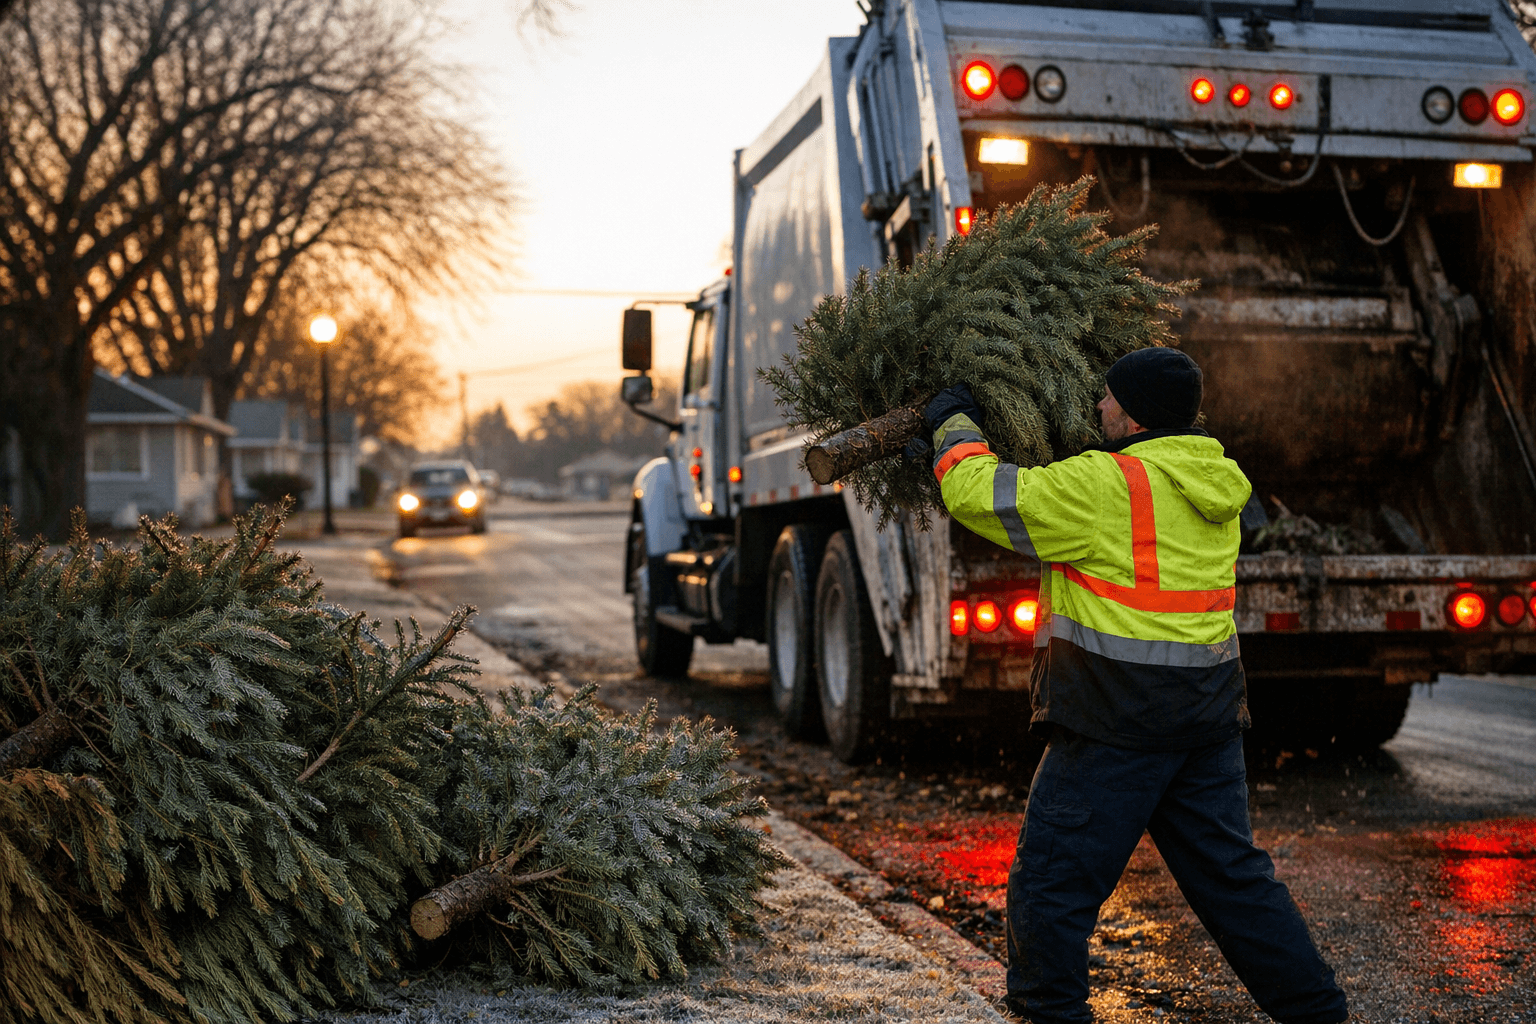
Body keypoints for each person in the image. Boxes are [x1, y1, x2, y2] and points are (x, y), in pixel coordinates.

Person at [924, 347, 1348, 1024]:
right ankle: (1321, 1014)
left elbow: (981, 494)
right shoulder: (1216, 481)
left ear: (1136, 412)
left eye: (1109, 397)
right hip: (1206, 720)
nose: (1098, 406)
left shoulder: (1105, 486)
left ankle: (1048, 1016)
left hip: (1114, 720)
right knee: (1235, 884)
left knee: (1051, 890)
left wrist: (953, 425)